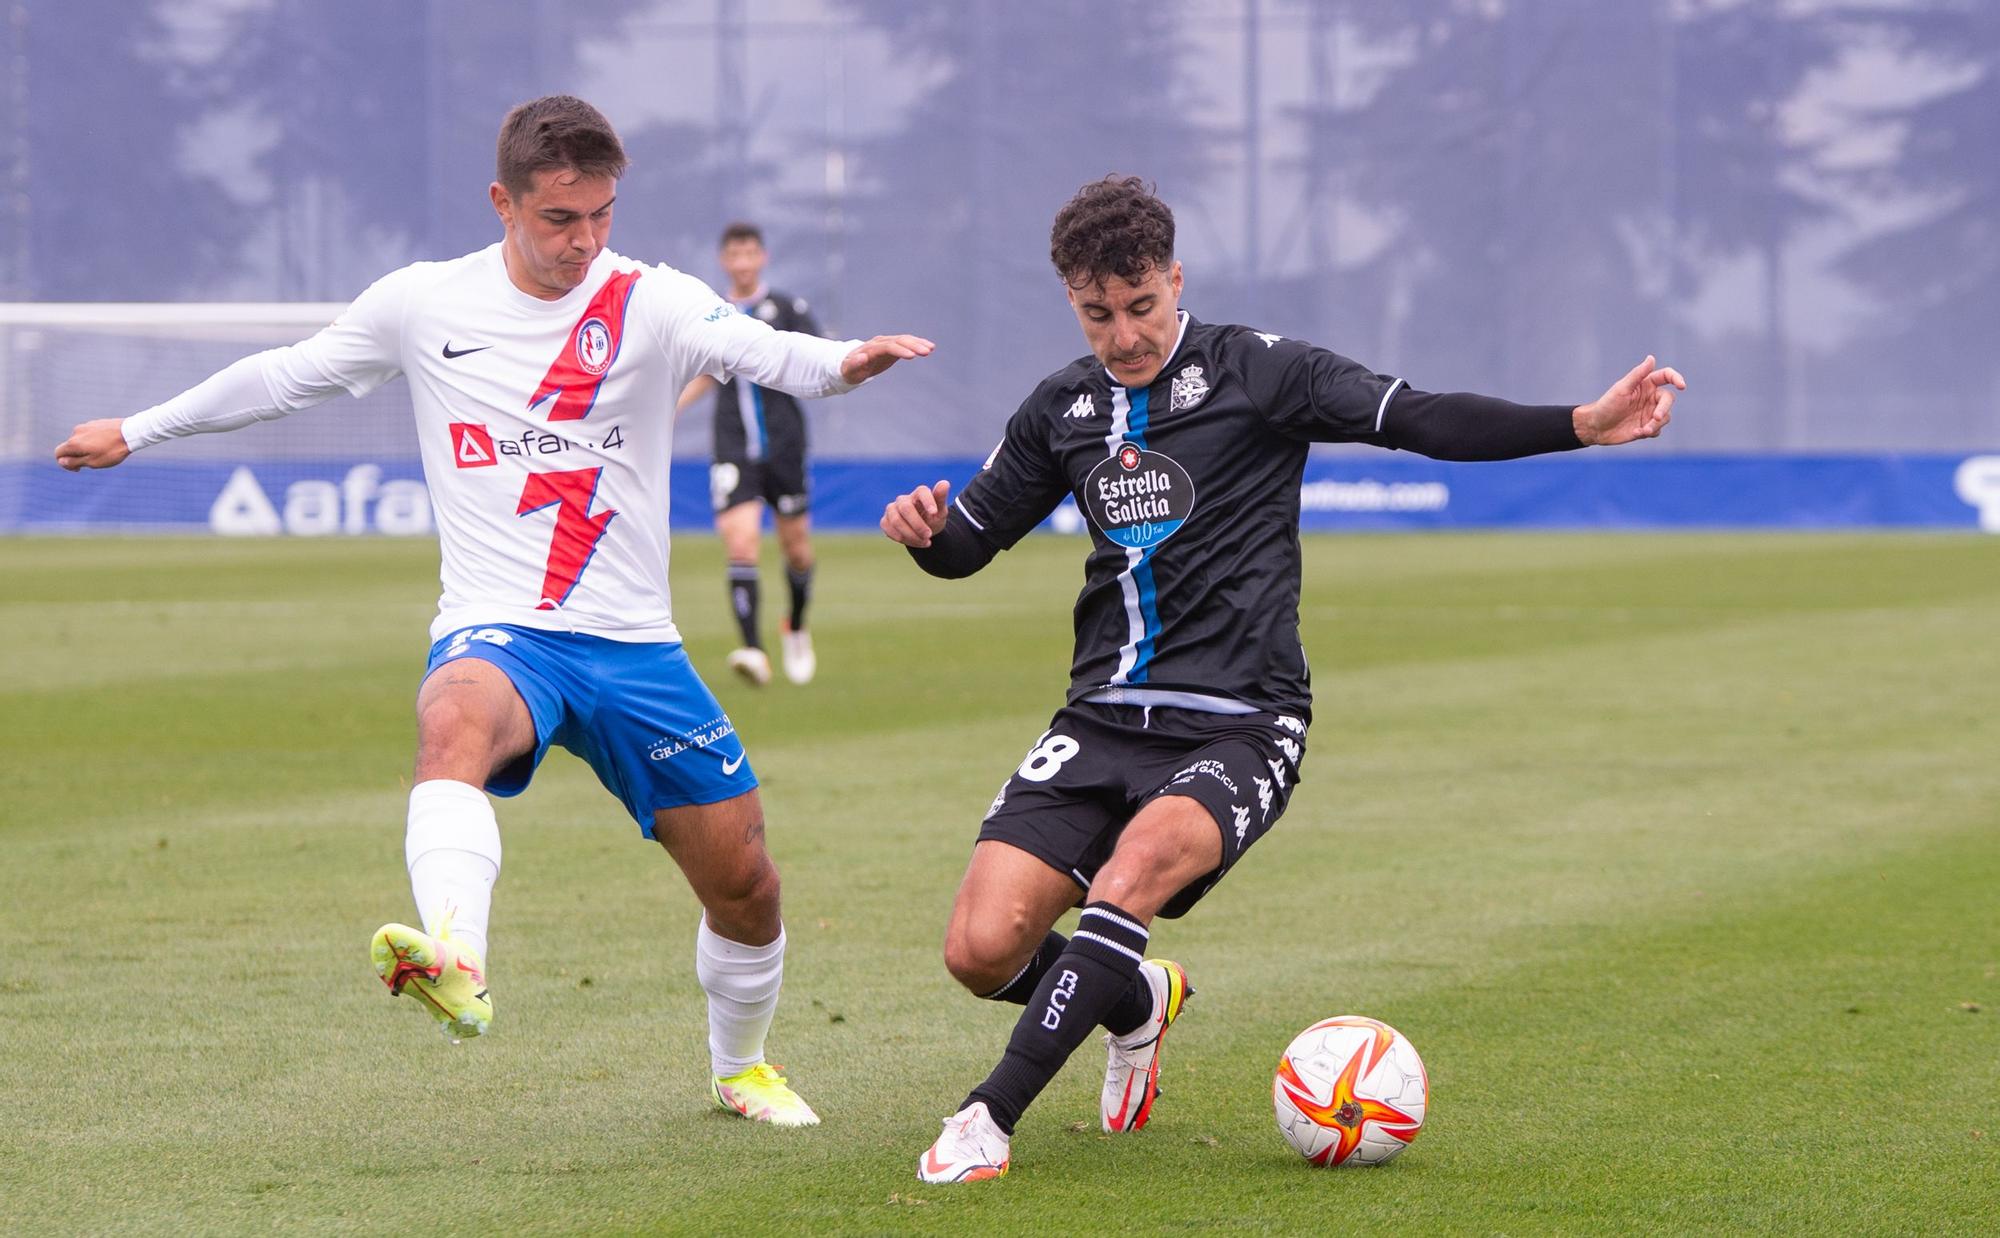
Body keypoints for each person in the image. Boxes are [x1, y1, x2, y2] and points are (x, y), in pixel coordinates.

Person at [56, 94, 932, 1129]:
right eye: (561, 218)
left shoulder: (647, 298)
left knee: (745, 881)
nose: (586, 239)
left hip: (633, 645)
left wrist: (844, 362)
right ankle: (456, 956)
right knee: (451, 721)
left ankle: (739, 1066)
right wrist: (137, 427)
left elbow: (757, 350)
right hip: (502, 628)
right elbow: (286, 377)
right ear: (502, 202)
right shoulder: (424, 304)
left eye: (602, 213)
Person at [880, 175, 1681, 1182]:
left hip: (1240, 721)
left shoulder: (1258, 371)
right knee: (977, 949)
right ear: (1070, 300)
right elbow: (969, 542)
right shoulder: (1063, 408)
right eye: (1097, 313)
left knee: (1129, 875)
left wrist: (1577, 421)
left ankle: (985, 1118)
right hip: (1100, 715)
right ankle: (1131, 999)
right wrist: (925, 535)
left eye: (1141, 306)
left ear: (1174, 279)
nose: (1123, 333)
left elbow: (1418, 417)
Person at [676, 222, 826, 687]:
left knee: (796, 550)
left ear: (761, 257)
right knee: (740, 542)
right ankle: (753, 649)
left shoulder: (785, 309)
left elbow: (814, 358)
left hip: (783, 446)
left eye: (749, 253)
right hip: (732, 447)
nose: (742, 262)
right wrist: (667, 408)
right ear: (724, 261)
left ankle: (795, 627)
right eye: (733, 254)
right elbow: (702, 372)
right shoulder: (711, 314)